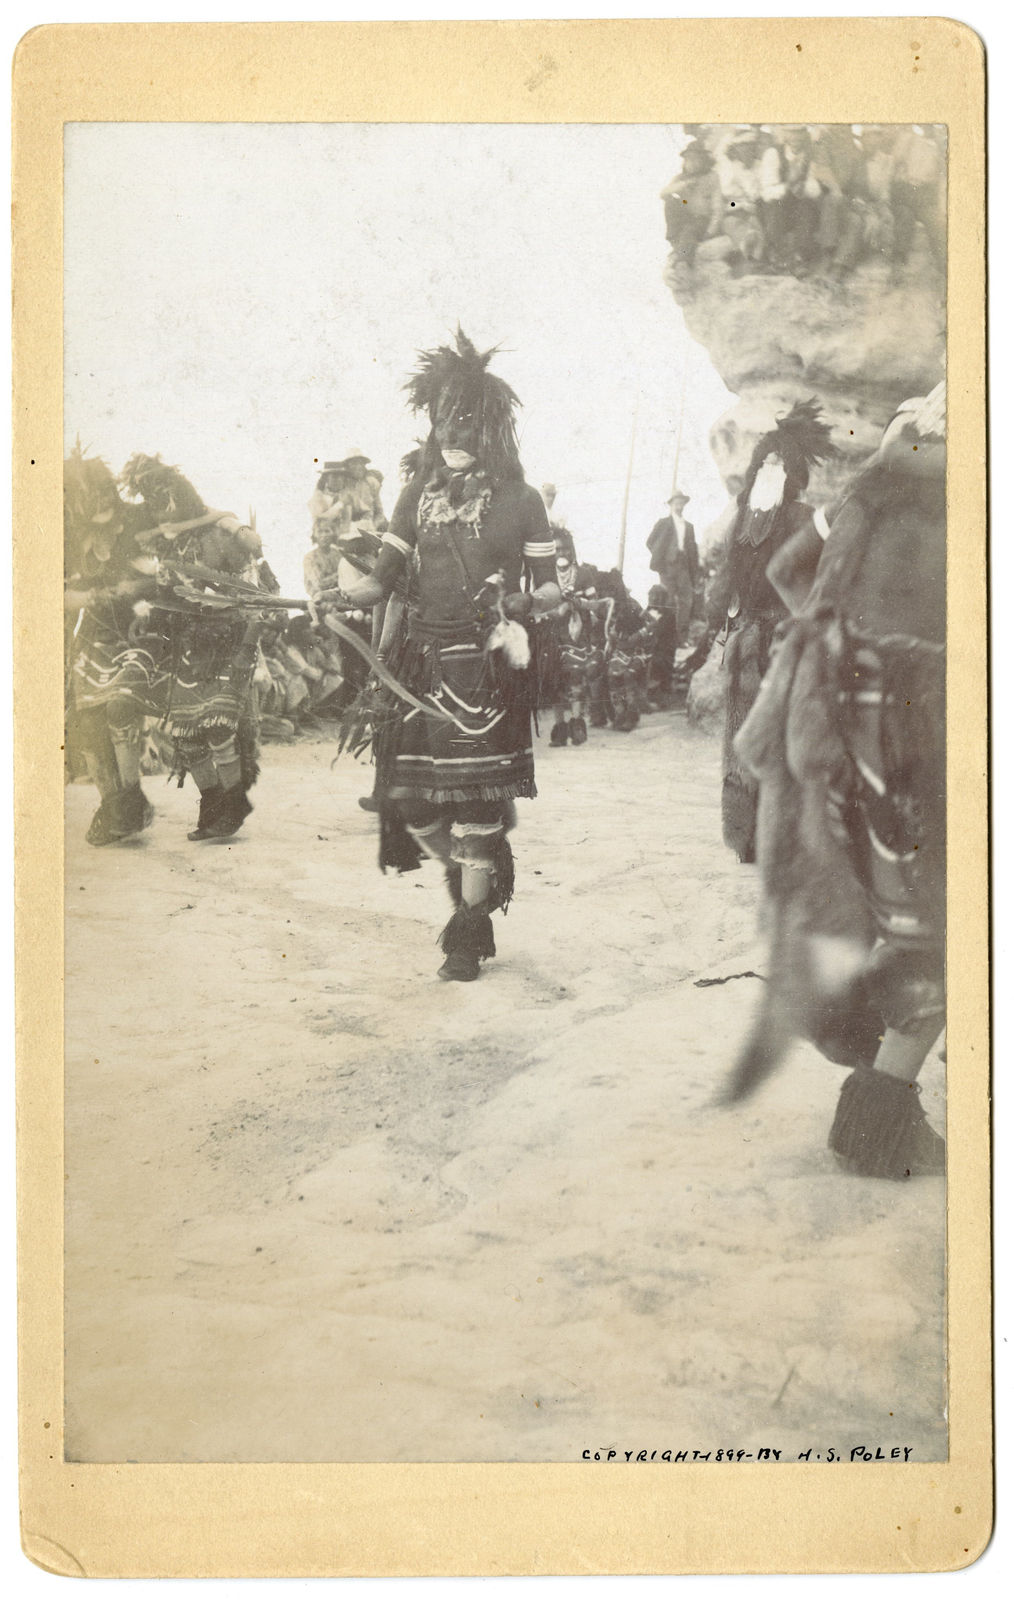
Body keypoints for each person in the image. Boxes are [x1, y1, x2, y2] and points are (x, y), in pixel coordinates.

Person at [723, 383, 946, 1180]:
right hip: (927, 716)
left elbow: (785, 569)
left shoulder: (861, 495)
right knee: (947, 914)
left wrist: (828, 625)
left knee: (863, 889)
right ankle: (878, 1118)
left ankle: (837, 1017)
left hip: (828, 707)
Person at [316, 329, 561, 982]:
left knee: (479, 809)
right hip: (421, 670)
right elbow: (380, 583)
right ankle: (470, 873)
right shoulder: (414, 496)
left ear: (491, 433)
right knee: (410, 801)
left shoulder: (523, 501)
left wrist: (514, 611)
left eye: (466, 425)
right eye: (443, 424)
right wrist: (339, 591)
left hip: (487, 672)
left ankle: (468, 930)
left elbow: (552, 591)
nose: (452, 435)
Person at [705, 399, 833, 862]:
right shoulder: (741, 521)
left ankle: (783, 835)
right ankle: (745, 837)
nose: (771, 469)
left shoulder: (804, 518)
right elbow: (724, 581)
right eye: (765, 462)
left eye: (781, 464)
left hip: (787, 639)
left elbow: (817, 581)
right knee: (741, 736)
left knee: (784, 735)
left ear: (794, 474)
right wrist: (717, 620)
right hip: (744, 640)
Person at [119, 454, 267, 840]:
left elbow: (259, 589)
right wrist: (150, 615)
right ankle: (213, 801)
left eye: (165, 500)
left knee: (218, 726)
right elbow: (169, 597)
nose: (159, 510)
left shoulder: (220, 534)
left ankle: (234, 803)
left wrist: (249, 640)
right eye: (152, 503)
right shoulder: (168, 548)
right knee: (184, 733)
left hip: (230, 641)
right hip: (189, 646)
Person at [64, 446, 164, 844]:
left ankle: (130, 799)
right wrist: (89, 597)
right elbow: (54, 590)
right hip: (93, 636)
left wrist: (134, 587)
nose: (101, 499)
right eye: (91, 493)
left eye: (106, 490)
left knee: (121, 707)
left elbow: (164, 571)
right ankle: (115, 805)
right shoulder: (71, 536)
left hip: (140, 630)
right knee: (85, 722)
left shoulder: (138, 519)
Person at [646, 488, 699, 648]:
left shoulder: (688, 526)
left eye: (681, 503)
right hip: (667, 567)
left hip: (683, 566)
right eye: (676, 503)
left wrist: (694, 570)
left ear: (684, 504)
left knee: (686, 601)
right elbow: (650, 542)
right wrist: (661, 557)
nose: (679, 506)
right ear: (671, 505)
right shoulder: (663, 523)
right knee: (667, 601)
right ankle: (664, 638)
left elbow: (693, 550)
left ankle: (681, 639)